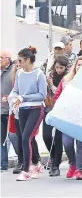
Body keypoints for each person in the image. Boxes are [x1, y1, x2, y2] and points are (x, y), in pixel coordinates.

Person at [8, 47, 47, 181]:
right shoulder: (19, 73)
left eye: (20, 60)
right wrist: (13, 99)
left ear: (28, 60)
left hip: (36, 109)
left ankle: (26, 170)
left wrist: (23, 97)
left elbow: (42, 95)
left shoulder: (39, 74)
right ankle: (36, 164)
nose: (18, 63)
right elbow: (16, 91)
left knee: (25, 138)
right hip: (22, 110)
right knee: (28, 138)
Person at [54, 56, 82, 180]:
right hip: (68, 117)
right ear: (75, 66)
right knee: (67, 143)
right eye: (79, 64)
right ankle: (72, 164)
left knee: (81, 144)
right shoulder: (66, 80)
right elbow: (57, 96)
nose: (80, 67)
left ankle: (79, 170)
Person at [43, 55, 69, 176]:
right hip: (49, 108)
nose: (59, 70)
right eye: (57, 67)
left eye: (61, 68)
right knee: (46, 136)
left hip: (61, 111)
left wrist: (51, 85)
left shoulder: (67, 78)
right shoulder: (49, 76)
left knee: (58, 138)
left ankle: (55, 165)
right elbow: (45, 92)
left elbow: (58, 92)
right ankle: (53, 156)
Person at [1, 51, 14, 171]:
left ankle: (24, 161)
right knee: (1, 138)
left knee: (14, 136)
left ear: (8, 59)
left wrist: (9, 97)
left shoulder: (14, 71)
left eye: (1, 57)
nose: (0, 59)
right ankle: (3, 164)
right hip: (1, 110)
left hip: (12, 110)